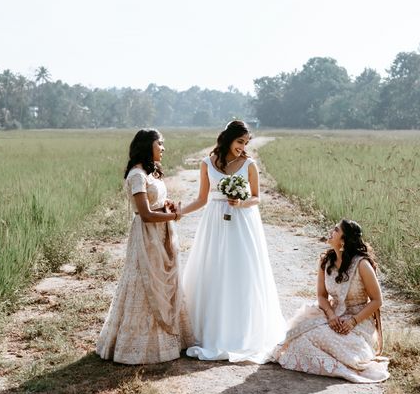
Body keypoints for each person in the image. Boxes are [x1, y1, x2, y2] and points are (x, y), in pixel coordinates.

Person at [176, 120, 286, 363]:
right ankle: (208, 331)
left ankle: (240, 332)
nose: (242, 147)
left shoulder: (249, 165)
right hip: (214, 221)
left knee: (240, 272)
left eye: (246, 143)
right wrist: (178, 212)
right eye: (239, 142)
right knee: (212, 270)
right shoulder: (207, 163)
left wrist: (242, 202)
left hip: (242, 222)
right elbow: (202, 199)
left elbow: (257, 197)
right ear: (228, 138)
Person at [96, 129, 191, 364]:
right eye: (160, 144)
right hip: (148, 234)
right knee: (145, 280)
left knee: (164, 278)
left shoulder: (150, 173)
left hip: (162, 233)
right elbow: (146, 214)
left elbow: (154, 204)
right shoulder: (137, 175)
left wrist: (166, 206)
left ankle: (170, 338)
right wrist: (173, 217)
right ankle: (138, 345)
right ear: (148, 145)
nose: (163, 148)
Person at [273, 219, 389, 382]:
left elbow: (377, 300)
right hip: (332, 315)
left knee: (320, 337)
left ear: (344, 240)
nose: (331, 232)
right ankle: (327, 358)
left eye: (335, 230)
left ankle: (347, 357)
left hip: (359, 320)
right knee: (301, 335)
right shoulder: (326, 261)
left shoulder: (361, 264)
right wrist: (331, 315)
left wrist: (352, 322)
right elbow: (321, 296)